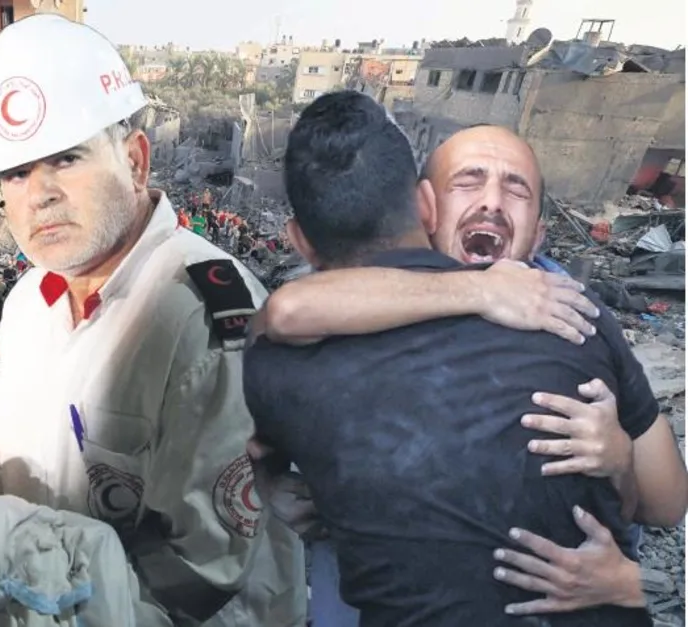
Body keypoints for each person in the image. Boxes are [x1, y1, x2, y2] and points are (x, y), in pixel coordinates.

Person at [0, 14, 306, 626]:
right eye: (15, 172)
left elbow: (197, 574)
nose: (39, 194)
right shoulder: (30, 302)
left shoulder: (204, 322)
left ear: (135, 161)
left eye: (65, 159)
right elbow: (2, 441)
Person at [243, 91, 679, 626]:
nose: (492, 201)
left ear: (539, 234)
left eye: (516, 188)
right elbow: (286, 312)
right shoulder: (343, 312)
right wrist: (476, 291)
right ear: (427, 209)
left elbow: (664, 505)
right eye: (468, 182)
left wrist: (621, 461)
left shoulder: (572, 316)